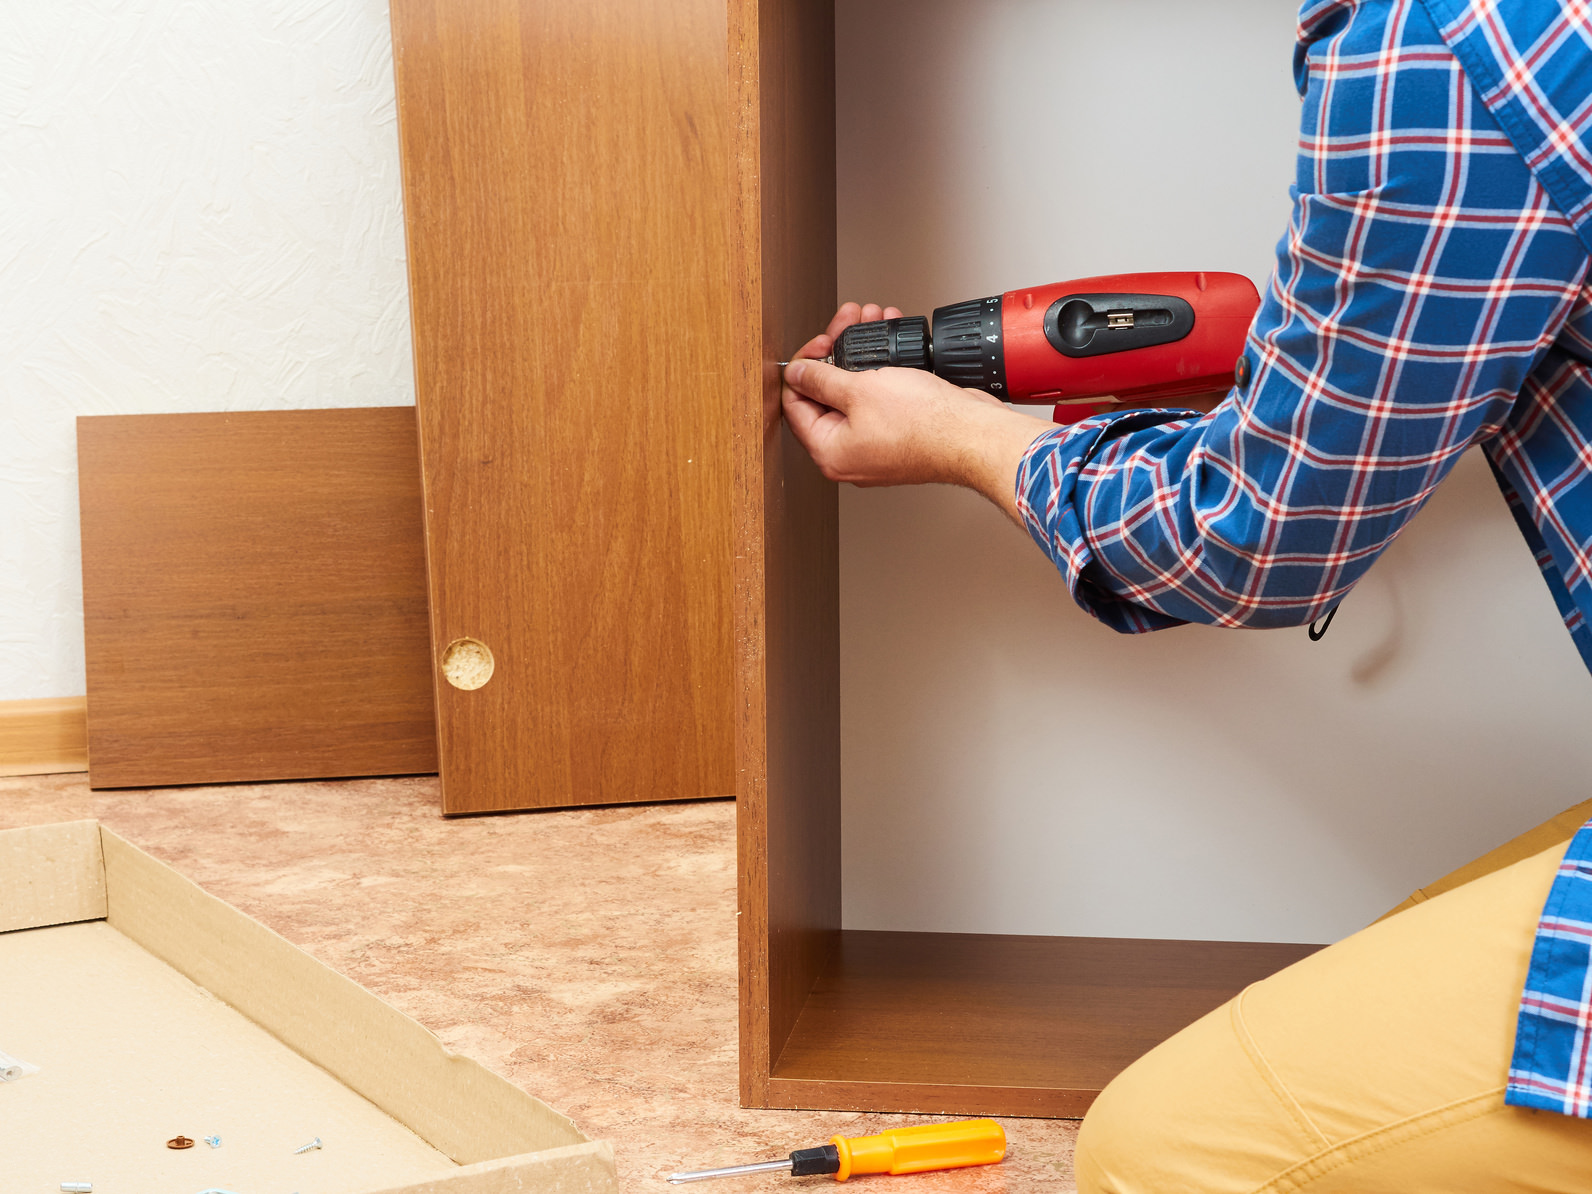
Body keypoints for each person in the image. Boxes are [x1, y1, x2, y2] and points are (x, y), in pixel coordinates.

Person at [780, 0, 1592, 1189]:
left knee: (1160, 1150)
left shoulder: (1436, 50)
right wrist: (1292, 383)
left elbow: (1254, 540)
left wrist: (965, 440)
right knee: (1382, 974)